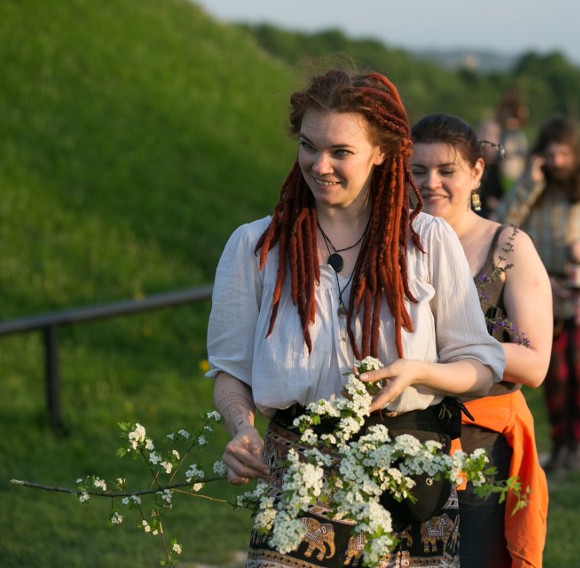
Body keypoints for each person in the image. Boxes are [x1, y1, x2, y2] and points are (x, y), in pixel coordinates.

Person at [206, 70, 505, 567]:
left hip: (409, 481)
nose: (319, 165)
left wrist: (420, 372)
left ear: (382, 152)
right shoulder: (255, 247)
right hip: (298, 486)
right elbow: (230, 370)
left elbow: (480, 368)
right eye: (308, 146)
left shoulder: (426, 241)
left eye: (340, 151)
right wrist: (241, 427)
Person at [411, 113, 552, 567]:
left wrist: (448, 358)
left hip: (480, 448)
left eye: (445, 170)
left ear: (476, 171)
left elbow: (534, 363)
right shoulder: (391, 244)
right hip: (401, 442)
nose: (430, 182)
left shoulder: (508, 247)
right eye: (417, 171)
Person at [498, 116, 580, 472]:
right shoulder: (534, 187)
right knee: (551, 371)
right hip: (540, 292)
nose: (557, 162)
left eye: (563, 154)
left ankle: (577, 440)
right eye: (550, 155)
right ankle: (558, 441)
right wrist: (529, 183)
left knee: (577, 366)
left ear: (576, 154)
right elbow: (501, 223)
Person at [495, 88, 530, 183]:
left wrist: (515, 123)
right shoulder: (503, 108)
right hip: (506, 135)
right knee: (504, 156)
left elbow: (523, 121)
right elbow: (498, 120)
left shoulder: (519, 108)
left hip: (516, 136)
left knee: (517, 158)